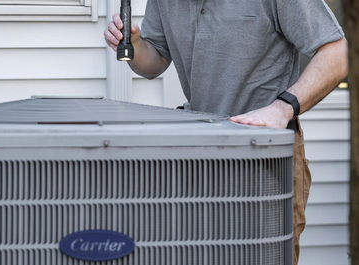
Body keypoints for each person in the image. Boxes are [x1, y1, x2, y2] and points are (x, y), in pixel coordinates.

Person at [104, 1, 348, 264]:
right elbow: (156, 60)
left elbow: (337, 53)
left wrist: (282, 109)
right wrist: (136, 44)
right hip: (201, 157)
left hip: (265, 157)